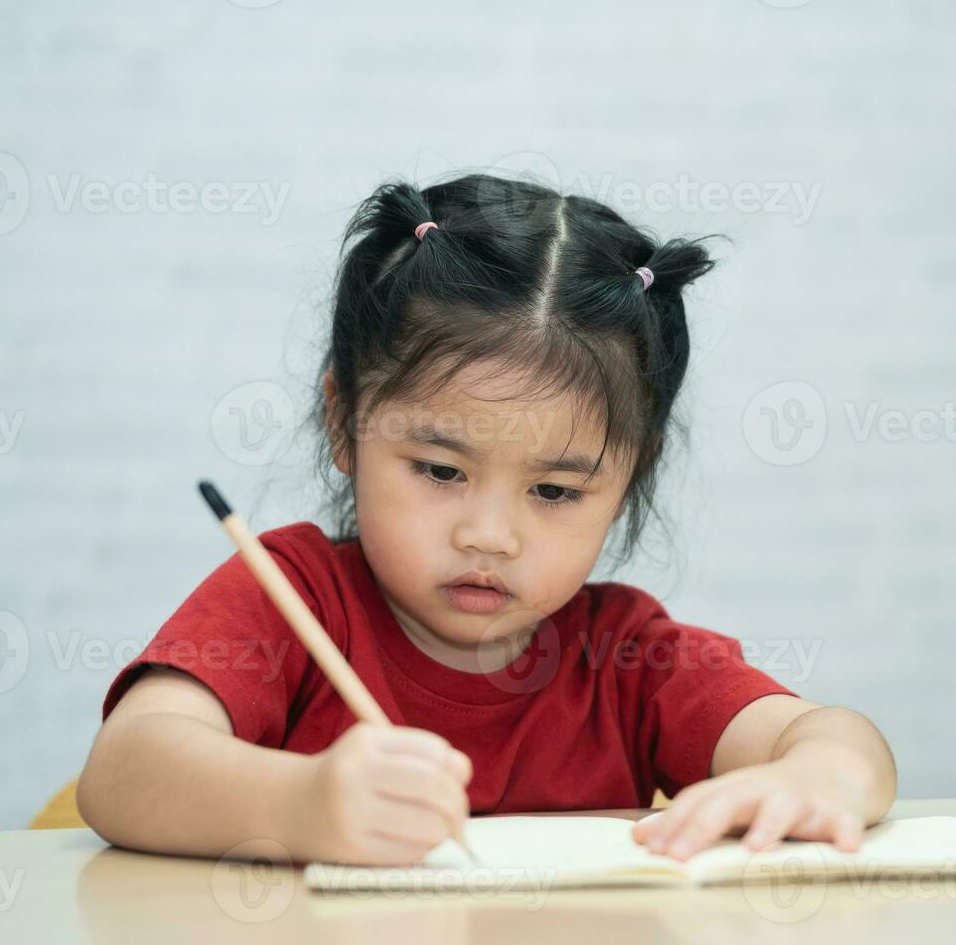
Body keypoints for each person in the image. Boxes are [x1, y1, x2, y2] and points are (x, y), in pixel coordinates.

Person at [76, 174, 896, 866]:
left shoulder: (628, 657)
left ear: (629, 478)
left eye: (555, 492)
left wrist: (821, 779)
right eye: (440, 471)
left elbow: (836, 739)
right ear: (343, 425)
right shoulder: (290, 596)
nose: (489, 535)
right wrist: (300, 805)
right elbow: (124, 771)